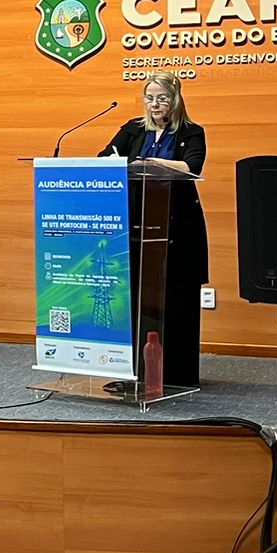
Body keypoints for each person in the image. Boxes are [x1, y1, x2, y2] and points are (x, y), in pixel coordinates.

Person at [99, 71, 209, 386]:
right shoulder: (133, 129)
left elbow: (191, 166)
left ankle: (177, 375)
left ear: (176, 100)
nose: (155, 104)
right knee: (134, 299)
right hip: (135, 228)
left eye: (162, 98)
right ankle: (134, 371)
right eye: (149, 98)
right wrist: (129, 163)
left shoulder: (191, 132)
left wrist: (148, 163)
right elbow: (105, 158)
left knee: (176, 299)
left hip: (177, 230)